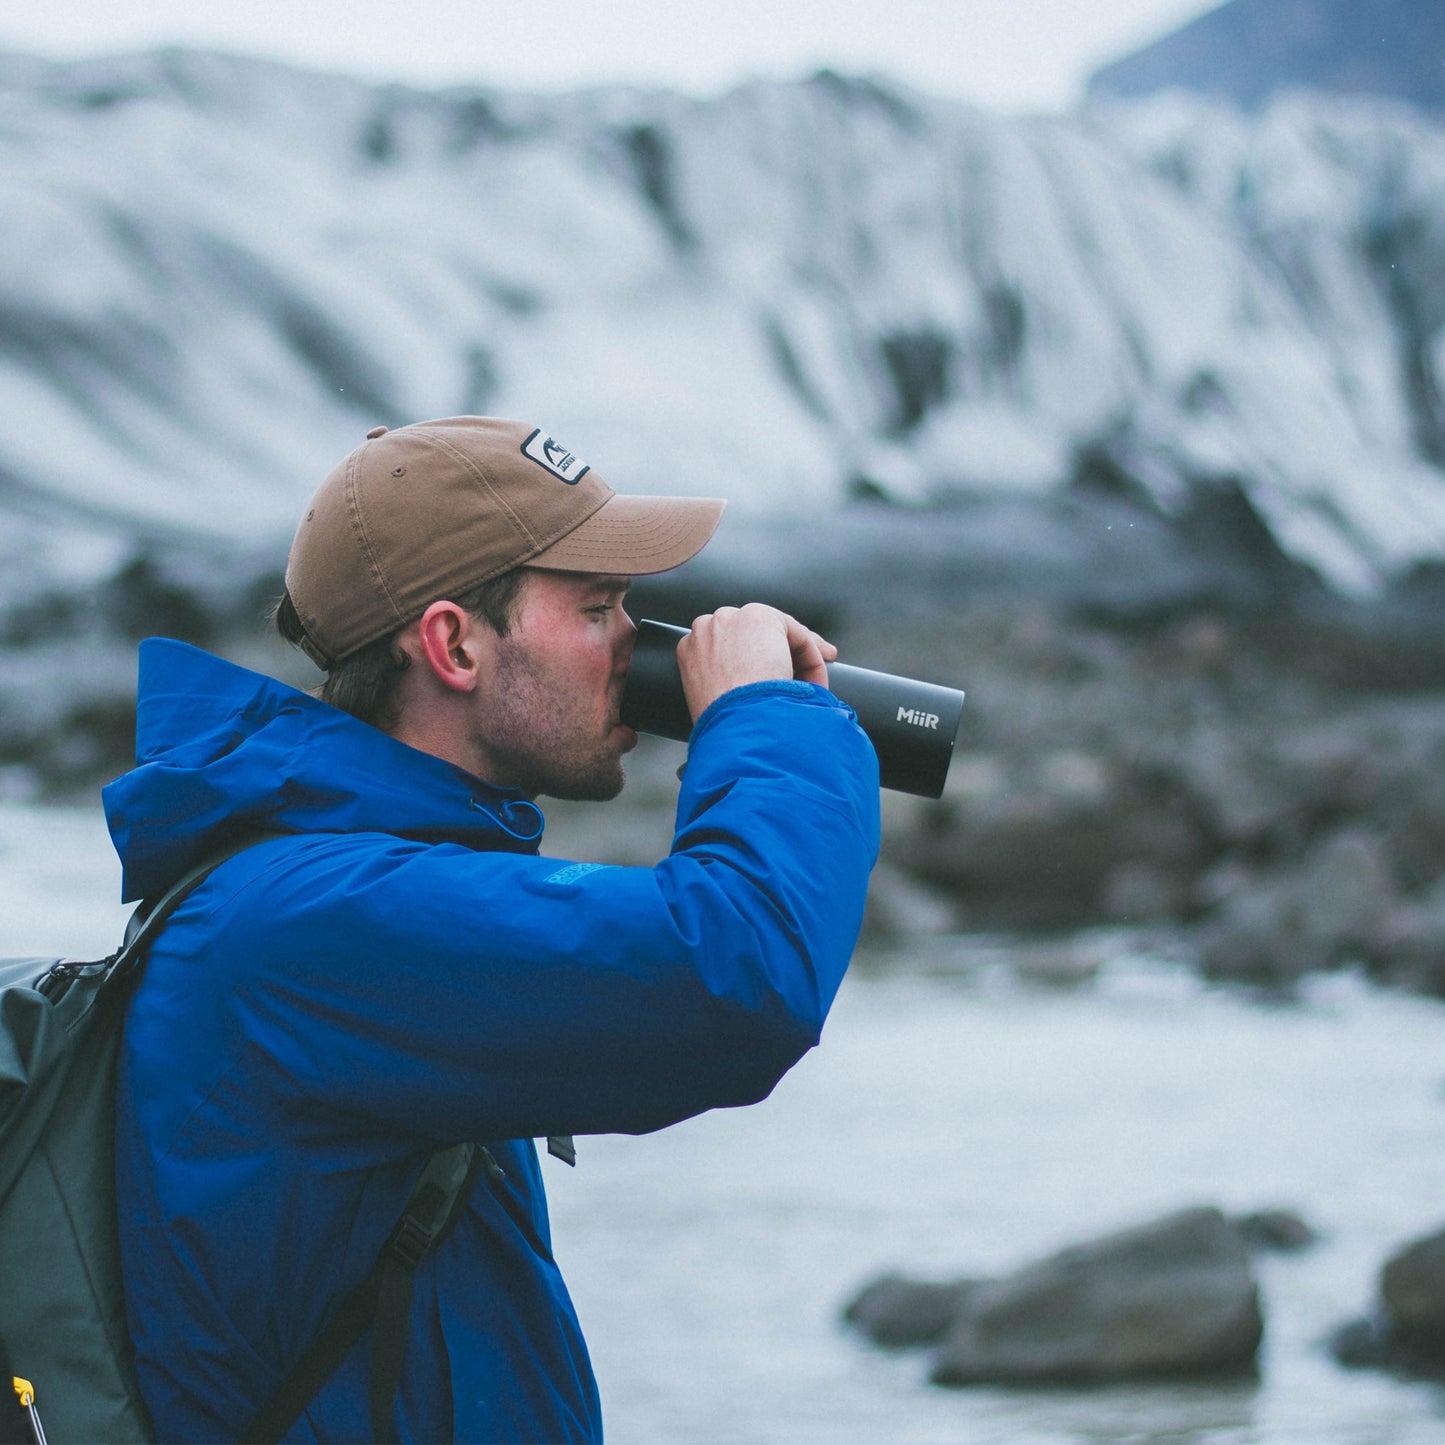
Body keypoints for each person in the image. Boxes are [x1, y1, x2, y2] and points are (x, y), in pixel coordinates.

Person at [105, 415, 880, 1443]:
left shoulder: (345, 883)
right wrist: (768, 717)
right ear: (453, 644)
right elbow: (732, 971)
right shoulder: (319, 919)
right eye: (597, 606)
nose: (637, 644)